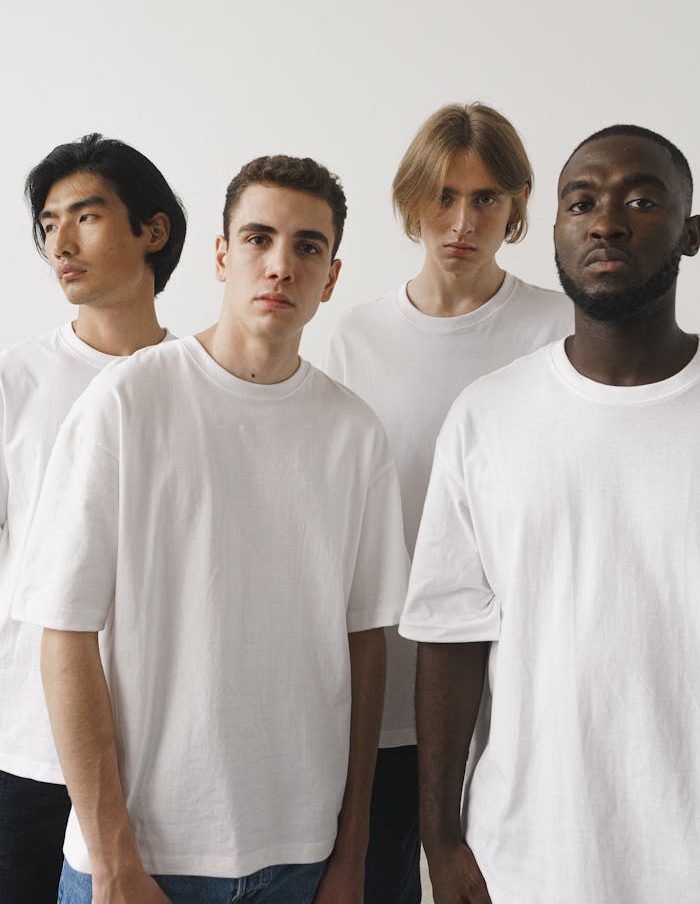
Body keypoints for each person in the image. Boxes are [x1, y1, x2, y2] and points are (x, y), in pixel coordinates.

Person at [13, 154, 410, 904]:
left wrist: (351, 854)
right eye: (258, 239)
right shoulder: (126, 404)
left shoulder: (354, 435)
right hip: (145, 856)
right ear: (222, 256)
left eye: (307, 247)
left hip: (303, 856)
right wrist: (114, 863)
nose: (280, 265)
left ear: (330, 277)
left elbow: (365, 648)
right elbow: (61, 636)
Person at [400, 125, 700, 904]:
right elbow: (449, 637)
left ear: (690, 234)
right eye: (582, 202)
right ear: (558, 233)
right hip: (527, 862)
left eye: (641, 199)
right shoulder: (487, 417)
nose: (606, 222)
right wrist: (441, 840)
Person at [325, 103, 571, 903]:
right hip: (387, 694)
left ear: (519, 206)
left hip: (521, 697)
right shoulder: (350, 339)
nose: (462, 221)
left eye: (487, 199)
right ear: (409, 200)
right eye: (442, 196)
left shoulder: (558, 328)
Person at [0, 132, 186, 904]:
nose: (61, 243)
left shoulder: (197, 386)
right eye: (48, 225)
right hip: (28, 752)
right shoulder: (18, 382)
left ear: (153, 230)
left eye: (86, 216)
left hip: (161, 761)